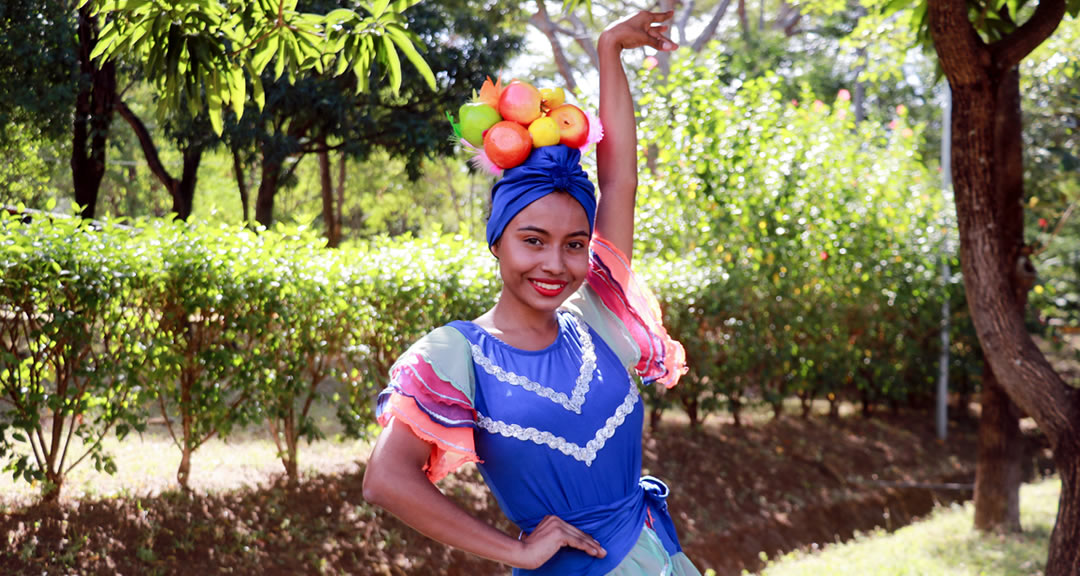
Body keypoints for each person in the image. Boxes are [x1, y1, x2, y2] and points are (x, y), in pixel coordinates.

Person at [362, 10, 700, 576]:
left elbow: (620, 181)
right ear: (497, 242)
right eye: (532, 240)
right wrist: (515, 550)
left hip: (658, 559)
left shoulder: (597, 314)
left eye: (574, 244)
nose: (554, 263)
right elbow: (386, 479)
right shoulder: (456, 353)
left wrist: (609, 50)